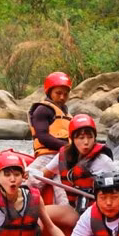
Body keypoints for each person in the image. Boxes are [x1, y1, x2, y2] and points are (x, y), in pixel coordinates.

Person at [36, 113, 116, 230]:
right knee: (39, 213)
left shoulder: (103, 161)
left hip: (100, 214)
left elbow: (116, 194)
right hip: (76, 210)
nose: (86, 142)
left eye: (90, 137)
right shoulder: (63, 156)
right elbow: (43, 173)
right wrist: (29, 174)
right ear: (72, 139)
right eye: (81, 137)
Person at [27, 72, 73, 204]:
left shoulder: (67, 113)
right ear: (49, 92)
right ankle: (19, 207)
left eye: (65, 94)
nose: (62, 97)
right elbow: (43, 137)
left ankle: (65, 216)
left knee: (63, 193)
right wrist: (68, 148)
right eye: (58, 93)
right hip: (47, 156)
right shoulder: (42, 110)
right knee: (29, 183)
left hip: (64, 158)